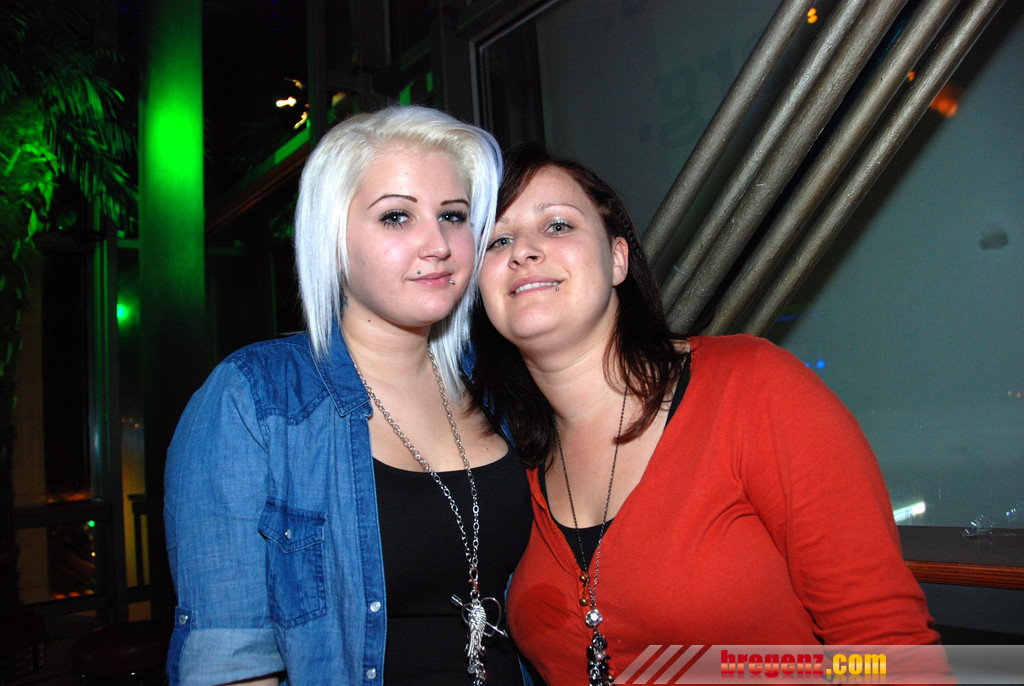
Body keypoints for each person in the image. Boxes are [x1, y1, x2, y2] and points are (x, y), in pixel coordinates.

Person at [470, 143, 948, 685]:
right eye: (497, 240)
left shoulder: (752, 388)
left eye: (557, 225)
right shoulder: (508, 468)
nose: (523, 251)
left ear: (618, 258)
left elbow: (889, 651)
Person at [164, 105, 533, 685]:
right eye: (396, 217)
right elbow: (232, 664)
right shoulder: (255, 399)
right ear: (332, 238)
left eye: (453, 215)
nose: (438, 244)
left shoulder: (501, 384)